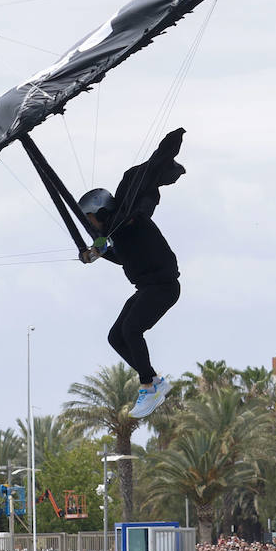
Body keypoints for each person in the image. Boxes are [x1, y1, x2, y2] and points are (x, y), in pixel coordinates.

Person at [78, 128, 186, 418]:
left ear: (100, 212)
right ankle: (155, 381)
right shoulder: (117, 231)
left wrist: (101, 247)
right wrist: (96, 254)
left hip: (163, 287)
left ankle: (149, 386)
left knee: (131, 330)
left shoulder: (130, 221)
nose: (91, 226)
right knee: (116, 337)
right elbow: (122, 256)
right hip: (147, 289)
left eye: (90, 220)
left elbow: (128, 222)